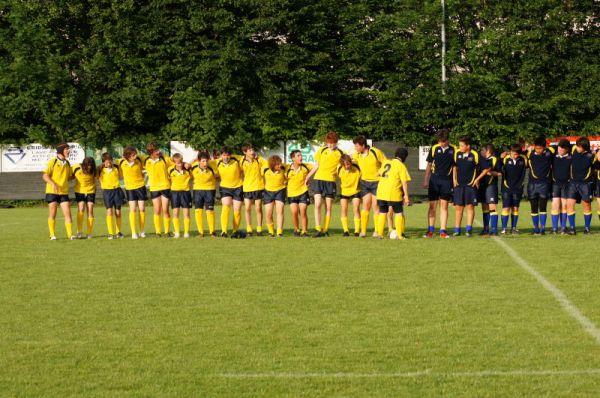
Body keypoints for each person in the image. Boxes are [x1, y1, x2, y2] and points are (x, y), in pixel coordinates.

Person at [305, 131, 344, 237]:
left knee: (328, 206)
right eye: (328, 142)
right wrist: (308, 176)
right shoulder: (322, 150)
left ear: (336, 142)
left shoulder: (340, 153)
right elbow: (316, 165)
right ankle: (318, 228)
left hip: (330, 181)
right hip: (318, 180)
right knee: (317, 204)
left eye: (332, 142)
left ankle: (325, 229)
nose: (330, 144)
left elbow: (343, 167)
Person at [423, 129, 456, 238]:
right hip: (434, 181)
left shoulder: (453, 149)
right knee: (432, 206)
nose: (440, 143)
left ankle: (443, 231)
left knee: (444, 206)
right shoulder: (434, 148)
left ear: (447, 140)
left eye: (443, 141)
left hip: (447, 181)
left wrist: (455, 181)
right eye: (439, 141)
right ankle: (430, 230)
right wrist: (426, 179)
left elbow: (455, 167)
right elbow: (429, 165)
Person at [352, 136, 386, 237]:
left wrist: (380, 172)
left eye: (357, 146)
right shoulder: (357, 155)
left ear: (363, 145)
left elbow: (385, 162)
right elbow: (349, 160)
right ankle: (363, 231)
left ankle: (377, 230)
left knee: (376, 206)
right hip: (365, 183)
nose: (355, 148)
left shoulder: (376, 152)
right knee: (366, 205)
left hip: (377, 182)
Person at [375, 147, 411, 240]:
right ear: (404, 157)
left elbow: (378, 174)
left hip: (381, 192)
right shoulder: (401, 166)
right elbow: (404, 182)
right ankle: (399, 235)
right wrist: (406, 196)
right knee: (398, 213)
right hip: (393, 192)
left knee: (382, 212)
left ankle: (380, 234)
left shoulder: (386, 162)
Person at [42, 143, 74, 240]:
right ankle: (52, 235)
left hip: (63, 192)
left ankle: (70, 235)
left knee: (68, 213)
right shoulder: (53, 161)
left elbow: (69, 177)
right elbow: (45, 176)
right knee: (53, 213)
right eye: (67, 149)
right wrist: (53, 184)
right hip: (52, 191)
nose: (69, 151)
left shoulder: (68, 163)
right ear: (61, 150)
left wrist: (80, 173)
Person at [526, 136, 554, 235]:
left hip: (544, 184)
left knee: (543, 207)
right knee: (533, 208)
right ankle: (535, 228)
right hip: (532, 184)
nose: (538, 150)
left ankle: (542, 229)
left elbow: (554, 150)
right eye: (536, 148)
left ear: (545, 147)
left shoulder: (549, 153)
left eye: (540, 148)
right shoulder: (530, 154)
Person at [566, 137, 595, 234]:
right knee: (569, 204)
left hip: (585, 184)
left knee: (586, 205)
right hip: (573, 183)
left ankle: (587, 228)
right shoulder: (574, 150)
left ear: (584, 147)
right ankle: (572, 229)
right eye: (577, 145)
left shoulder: (591, 156)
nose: (577, 147)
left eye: (579, 146)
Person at [144, 143, 174, 237]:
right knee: (157, 210)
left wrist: (185, 164)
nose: (159, 152)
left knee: (165, 210)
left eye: (158, 150)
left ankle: (167, 232)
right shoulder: (145, 161)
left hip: (165, 187)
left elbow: (176, 164)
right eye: (156, 151)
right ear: (151, 153)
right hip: (154, 188)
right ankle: (158, 232)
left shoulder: (165, 159)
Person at [452, 136, 479, 237]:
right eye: (459, 145)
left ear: (468, 146)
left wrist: (477, 180)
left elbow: (479, 168)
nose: (460, 147)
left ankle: (468, 229)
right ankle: (457, 229)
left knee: (470, 206)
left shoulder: (474, 154)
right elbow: (454, 166)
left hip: (470, 185)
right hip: (459, 185)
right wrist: (454, 179)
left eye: (462, 145)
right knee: (458, 207)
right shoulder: (457, 153)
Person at [119, 146, 147, 239]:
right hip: (130, 188)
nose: (135, 155)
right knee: (133, 209)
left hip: (140, 187)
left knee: (142, 209)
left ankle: (142, 231)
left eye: (135, 154)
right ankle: (134, 232)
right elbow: (108, 164)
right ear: (128, 155)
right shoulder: (121, 162)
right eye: (133, 154)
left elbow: (149, 158)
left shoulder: (139, 160)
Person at [473, 144, 501, 235]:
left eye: (482, 150)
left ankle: (494, 229)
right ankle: (486, 229)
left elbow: (500, 173)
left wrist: (491, 173)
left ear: (488, 151)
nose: (481, 152)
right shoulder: (481, 161)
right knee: (484, 207)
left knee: (492, 206)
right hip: (482, 185)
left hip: (491, 185)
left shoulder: (494, 159)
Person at [217, 146, 244, 238]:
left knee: (237, 210)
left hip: (238, 187)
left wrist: (255, 155)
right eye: (224, 155)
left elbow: (246, 156)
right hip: (225, 188)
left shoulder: (237, 160)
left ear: (230, 155)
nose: (226, 157)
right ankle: (224, 231)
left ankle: (235, 231)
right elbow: (203, 162)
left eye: (228, 155)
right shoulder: (217, 162)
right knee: (226, 206)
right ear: (221, 155)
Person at [500, 144, 527, 235]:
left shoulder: (523, 159)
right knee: (506, 208)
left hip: (518, 188)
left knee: (515, 208)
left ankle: (514, 228)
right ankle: (504, 229)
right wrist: (500, 158)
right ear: (510, 152)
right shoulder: (505, 159)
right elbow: (497, 165)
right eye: (513, 154)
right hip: (506, 188)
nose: (515, 156)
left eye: (517, 154)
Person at [241, 144, 267, 236]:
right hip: (247, 188)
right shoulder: (241, 161)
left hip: (258, 187)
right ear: (245, 152)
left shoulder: (259, 160)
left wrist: (259, 157)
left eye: (252, 149)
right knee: (247, 208)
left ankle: (259, 229)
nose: (252, 152)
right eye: (249, 150)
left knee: (258, 208)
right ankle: (249, 229)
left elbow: (266, 163)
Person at [191, 151, 218, 238]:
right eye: (203, 161)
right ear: (198, 161)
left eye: (206, 161)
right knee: (198, 211)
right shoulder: (193, 166)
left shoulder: (212, 168)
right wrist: (191, 161)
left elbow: (218, 177)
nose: (205, 163)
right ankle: (200, 233)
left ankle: (212, 232)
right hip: (197, 191)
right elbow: (185, 165)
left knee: (209, 211)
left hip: (209, 190)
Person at [98, 153, 124, 239]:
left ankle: (118, 232)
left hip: (117, 190)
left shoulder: (116, 168)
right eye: (107, 162)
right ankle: (110, 233)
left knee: (118, 212)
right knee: (109, 211)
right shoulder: (100, 170)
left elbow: (121, 175)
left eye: (110, 162)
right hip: (107, 192)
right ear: (103, 162)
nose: (109, 164)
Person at [286, 150, 312, 236]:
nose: (301, 157)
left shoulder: (306, 167)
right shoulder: (287, 168)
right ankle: (296, 230)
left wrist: (308, 178)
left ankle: (304, 231)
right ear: (293, 158)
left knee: (303, 211)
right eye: (298, 156)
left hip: (303, 192)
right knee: (294, 212)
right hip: (292, 194)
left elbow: (317, 167)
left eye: (301, 155)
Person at [550, 139, 572, 234]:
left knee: (565, 206)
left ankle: (563, 227)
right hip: (555, 184)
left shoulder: (571, 158)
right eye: (559, 148)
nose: (560, 151)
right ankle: (554, 228)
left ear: (567, 149)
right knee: (555, 205)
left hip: (566, 184)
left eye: (563, 150)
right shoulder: (553, 157)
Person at [168, 153, 192, 238]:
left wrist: (188, 165)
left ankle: (186, 232)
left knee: (186, 214)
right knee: (175, 213)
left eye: (181, 162)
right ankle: (177, 232)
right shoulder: (170, 170)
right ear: (174, 163)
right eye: (177, 162)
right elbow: (168, 179)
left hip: (185, 193)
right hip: (174, 193)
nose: (180, 164)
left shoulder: (188, 169)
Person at [72, 157, 97, 239]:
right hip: (80, 191)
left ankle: (89, 233)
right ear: (84, 164)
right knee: (81, 207)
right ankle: (79, 232)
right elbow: (69, 175)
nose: (89, 167)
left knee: (90, 209)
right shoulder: (76, 168)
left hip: (90, 191)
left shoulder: (94, 170)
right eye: (88, 165)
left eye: (91, 165)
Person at [337, 154, 362, 236]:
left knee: (356, 208)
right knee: (344, 209)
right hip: (344, 191)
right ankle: (346, 231)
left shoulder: (357, 167)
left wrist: (352, 158)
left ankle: (357, 231)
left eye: (348, 164)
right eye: (344, 165)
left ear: (351, 162)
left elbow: (358, 158)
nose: (346, 166)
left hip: (355, 191)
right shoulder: (339, 168)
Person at [262, 155, 286, 237]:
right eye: (278, 164)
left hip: (280, 191)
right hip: (268, 192)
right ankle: (271, 231)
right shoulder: (265, 170)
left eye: (280, 163)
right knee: (268, 213)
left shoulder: (283, 169)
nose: (280, 165)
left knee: (280, 211)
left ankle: (279, 232)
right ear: (272, 165)